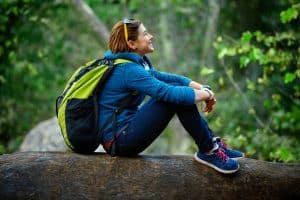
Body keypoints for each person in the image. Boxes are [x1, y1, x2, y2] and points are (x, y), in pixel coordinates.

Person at [98, 18, 244, 174]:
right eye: (145, 34)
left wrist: (202, 88)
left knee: (177, 91)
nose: (151, 37)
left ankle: (210, 145)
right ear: (132, 44)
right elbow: (166, 92)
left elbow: (171, 78)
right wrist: (206, 94)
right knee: (173, 97)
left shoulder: (131, 65)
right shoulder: (128, 70)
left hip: (125, 132)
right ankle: (209, 150)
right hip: (120, 141)